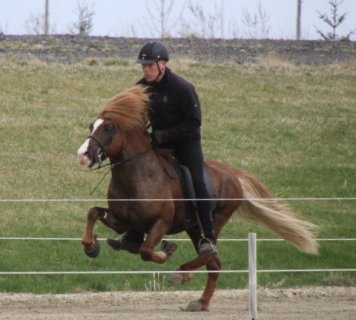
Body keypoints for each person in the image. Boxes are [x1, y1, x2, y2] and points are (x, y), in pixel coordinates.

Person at [107, 41, 217, 256]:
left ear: (163, 64)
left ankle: (207, 236)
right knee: (137, 176)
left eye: (150, 65)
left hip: (186, 143)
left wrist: (164, 135)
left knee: (197, 180)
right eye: (143, 66)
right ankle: (135, 234)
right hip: (157, 144)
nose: (146, 69)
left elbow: (194, 123)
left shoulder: (183, 88)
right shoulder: (142, 88)